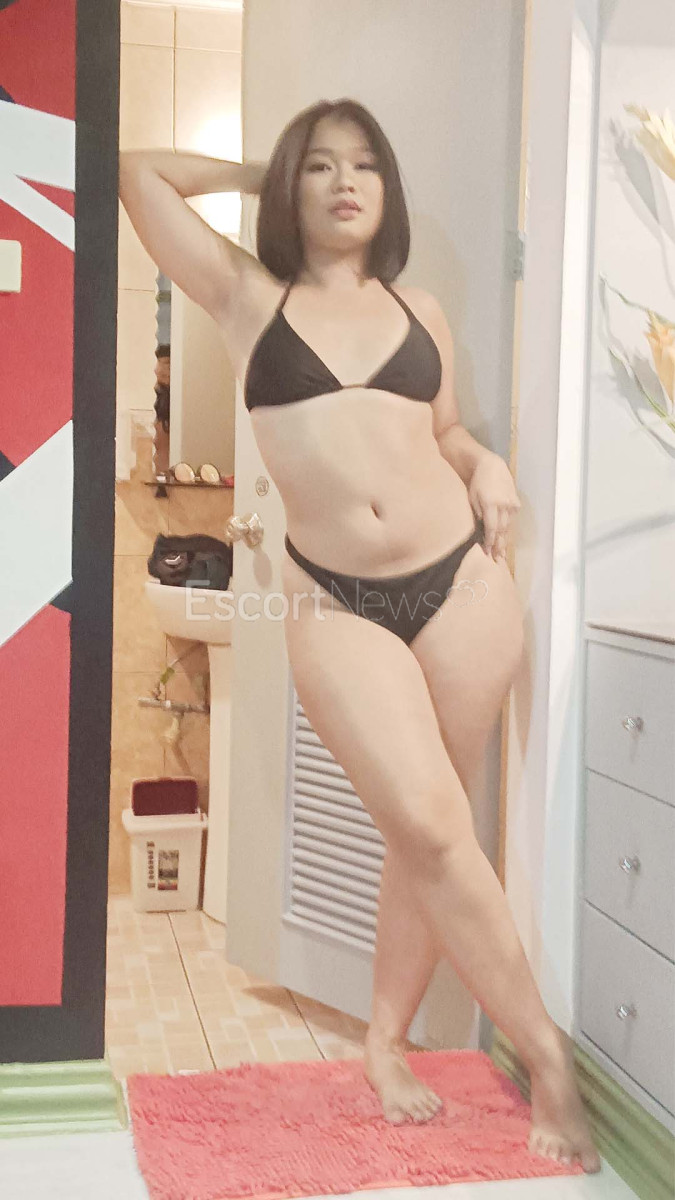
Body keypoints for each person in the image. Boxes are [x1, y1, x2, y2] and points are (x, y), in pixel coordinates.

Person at [119, 97, 600, 1172]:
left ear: (389, 190)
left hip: (460, 585)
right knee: (430, 823)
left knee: (427, 834)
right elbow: (137, 170)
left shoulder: (416, 309)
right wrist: (266, 171)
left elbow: (445, 429)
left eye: (364, 165)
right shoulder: (247, 296)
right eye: (322, 166)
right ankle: (546, 1053)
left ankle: (385, 1042)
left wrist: (487, 464)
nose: (345, 182)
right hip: (335, 599)